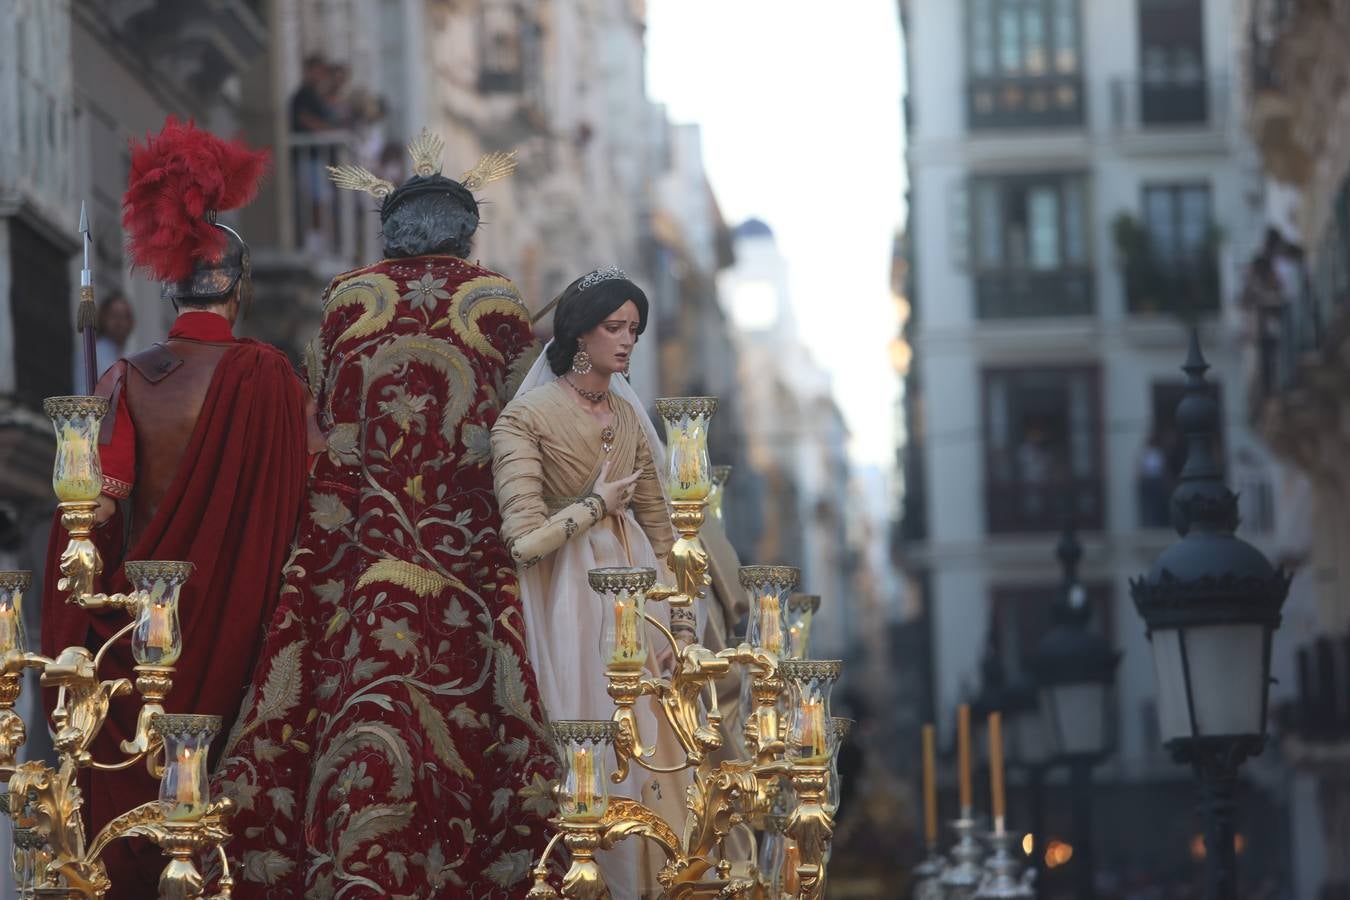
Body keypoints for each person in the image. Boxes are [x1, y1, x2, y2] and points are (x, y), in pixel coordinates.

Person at [214, 131, 558, 898]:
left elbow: (332, 406)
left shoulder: (347, 299)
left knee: (333, 684)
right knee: (487, 701)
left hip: (356, 540)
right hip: (470, 541)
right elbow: (518, 422)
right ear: (466, 229)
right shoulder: (497, 300)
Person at [40, 118, 314, 899]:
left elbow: (84, 519)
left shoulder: (122, 383)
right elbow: (312, 504)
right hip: (249, 644)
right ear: (242, 287)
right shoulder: (271, 380)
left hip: (138, 641)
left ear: (170, 286)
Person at [490, 267, 692, 897]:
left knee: (650, 749)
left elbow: (664, 531)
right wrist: (597, 505)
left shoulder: (629, 418)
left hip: (638, 600)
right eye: (614, 327)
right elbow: (523, 541)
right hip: (570, 597)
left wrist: (679, 618)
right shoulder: (526, 419)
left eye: (634, 328)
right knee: (589, 736)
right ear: (580, 332)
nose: (628, 341)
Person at [72, 290, 135, 390]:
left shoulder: (131, 356)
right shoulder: (90, 355)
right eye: (114, 316)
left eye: (124, 316)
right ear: (103, 318)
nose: (119, 322)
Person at [289, 54, 334, 133]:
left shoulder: (316, 94)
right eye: (318, 71)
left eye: (323, 72)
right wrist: (330, 130)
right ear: (308, 71)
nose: (321, 76)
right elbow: (306, 119)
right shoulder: (303, 94)